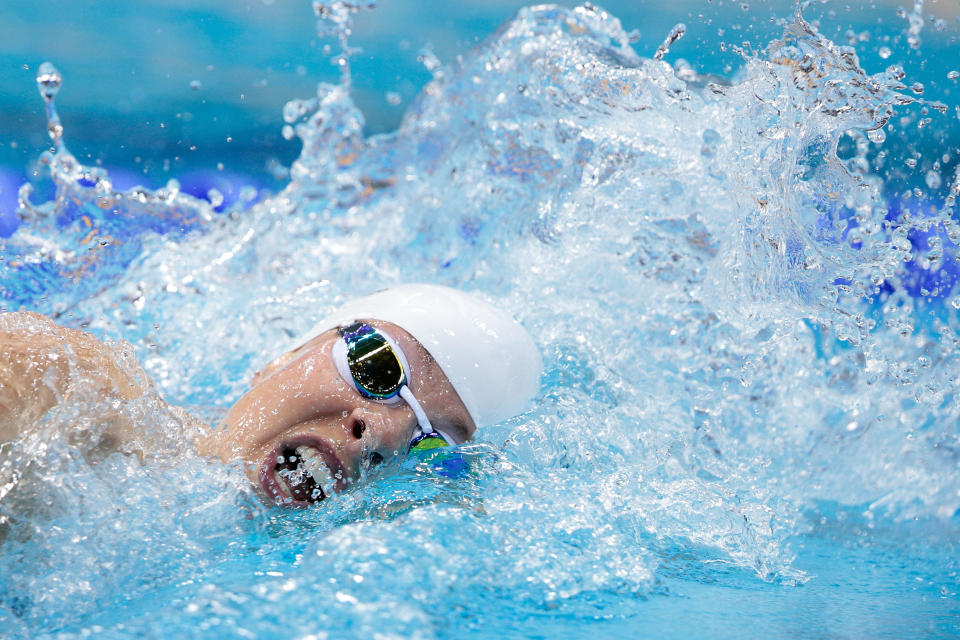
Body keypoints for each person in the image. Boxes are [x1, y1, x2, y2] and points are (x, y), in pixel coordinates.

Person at [0, 284, 542, 507]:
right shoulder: (77, 390)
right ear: (283, 357)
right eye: (377, 367)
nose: (383, 434)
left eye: (432, 442)